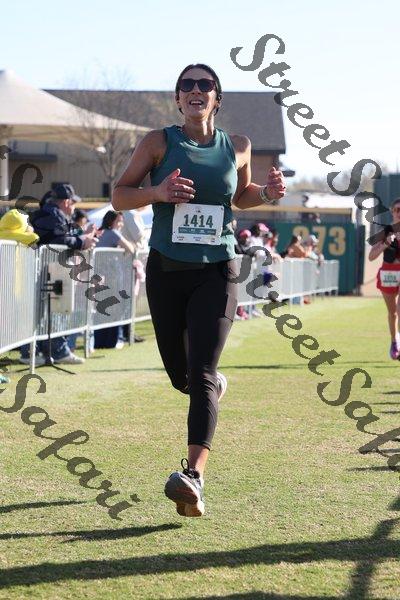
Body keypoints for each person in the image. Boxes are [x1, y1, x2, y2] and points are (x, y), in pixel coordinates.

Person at [112, 62, 285, 517]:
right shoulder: (158, 142)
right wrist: (157, 193)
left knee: (203, 372)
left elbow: (240, 196)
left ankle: (193, 477)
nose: (195, 89)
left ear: (216, 98)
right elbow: (120, 195)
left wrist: (267, 194)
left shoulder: (238, 145)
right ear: (178, 98)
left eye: (204, 84)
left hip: (217, 270)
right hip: (167, 270)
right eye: (186, 84)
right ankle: (208, 387)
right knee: (183, 377)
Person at [26, 183, 98, 365]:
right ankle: (56, 351)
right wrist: (83, 242)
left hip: (46, 269)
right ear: (66, 202)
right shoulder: (53, 214)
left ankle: (38, 352)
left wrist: (83, 237)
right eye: (73, 202)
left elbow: (63, 235)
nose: (74, 207)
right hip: (51, 270)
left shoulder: (50, 213)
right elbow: (61, 239)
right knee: (57, 310)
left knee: (45, 312)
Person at [369, 198, 400, 359]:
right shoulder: (384, 231)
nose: (399, 213)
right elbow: (371, 256)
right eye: (397, 210)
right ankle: (394, 341)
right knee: (392, 313)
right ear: (392, 211)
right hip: (388, 272)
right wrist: (385, 244)